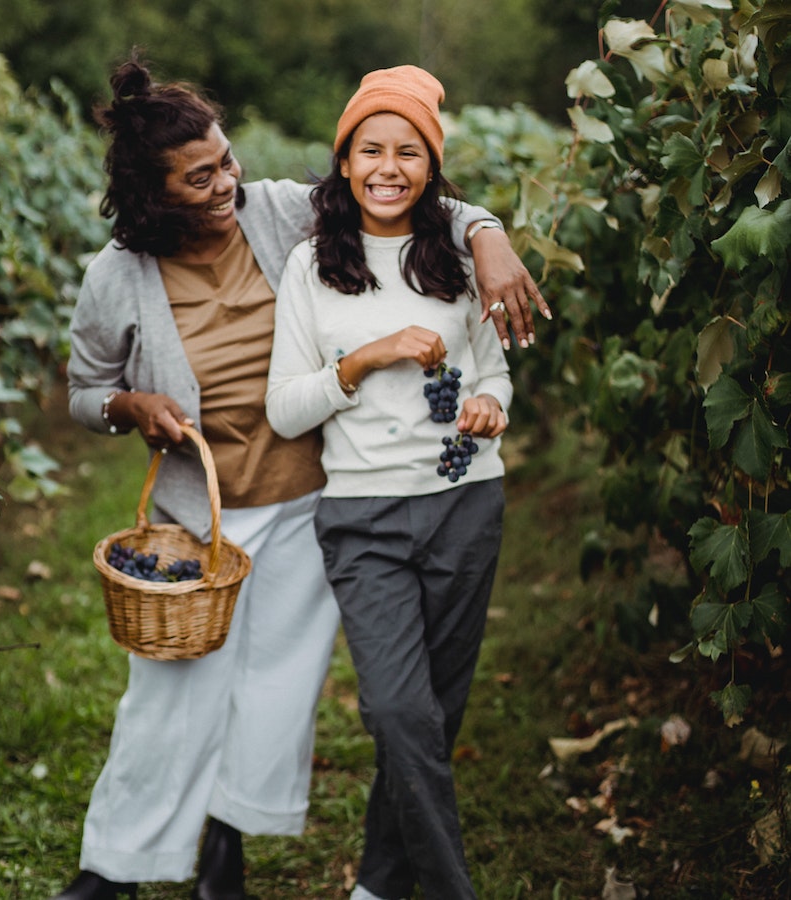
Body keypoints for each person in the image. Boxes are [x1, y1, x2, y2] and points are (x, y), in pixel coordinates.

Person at [57, 53, 543, 900]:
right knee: (167, 700)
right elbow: (82, 392)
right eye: (199, 176)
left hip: (309, 504)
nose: (225, 184)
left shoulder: (278, 213)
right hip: (197, 515)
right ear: (151, 192)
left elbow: (404, 186)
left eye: (227, 160)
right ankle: (115, 870)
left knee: (277, 694)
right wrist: (129, 407)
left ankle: (224, 855)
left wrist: (488, 235)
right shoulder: (117, 278)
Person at [265, 66, 511, 900]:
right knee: (399, 714)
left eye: (409, 152)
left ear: (431, 169)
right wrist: (367, 357)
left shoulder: (455, 254)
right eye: (371, 148)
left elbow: (495, 371)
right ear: (344, 161)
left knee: (433, 716)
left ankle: (377, 881)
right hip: (363, 518)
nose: (388, 166)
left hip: (466, 503)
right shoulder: (312, 266)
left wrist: (485, 403)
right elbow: (287, 409)